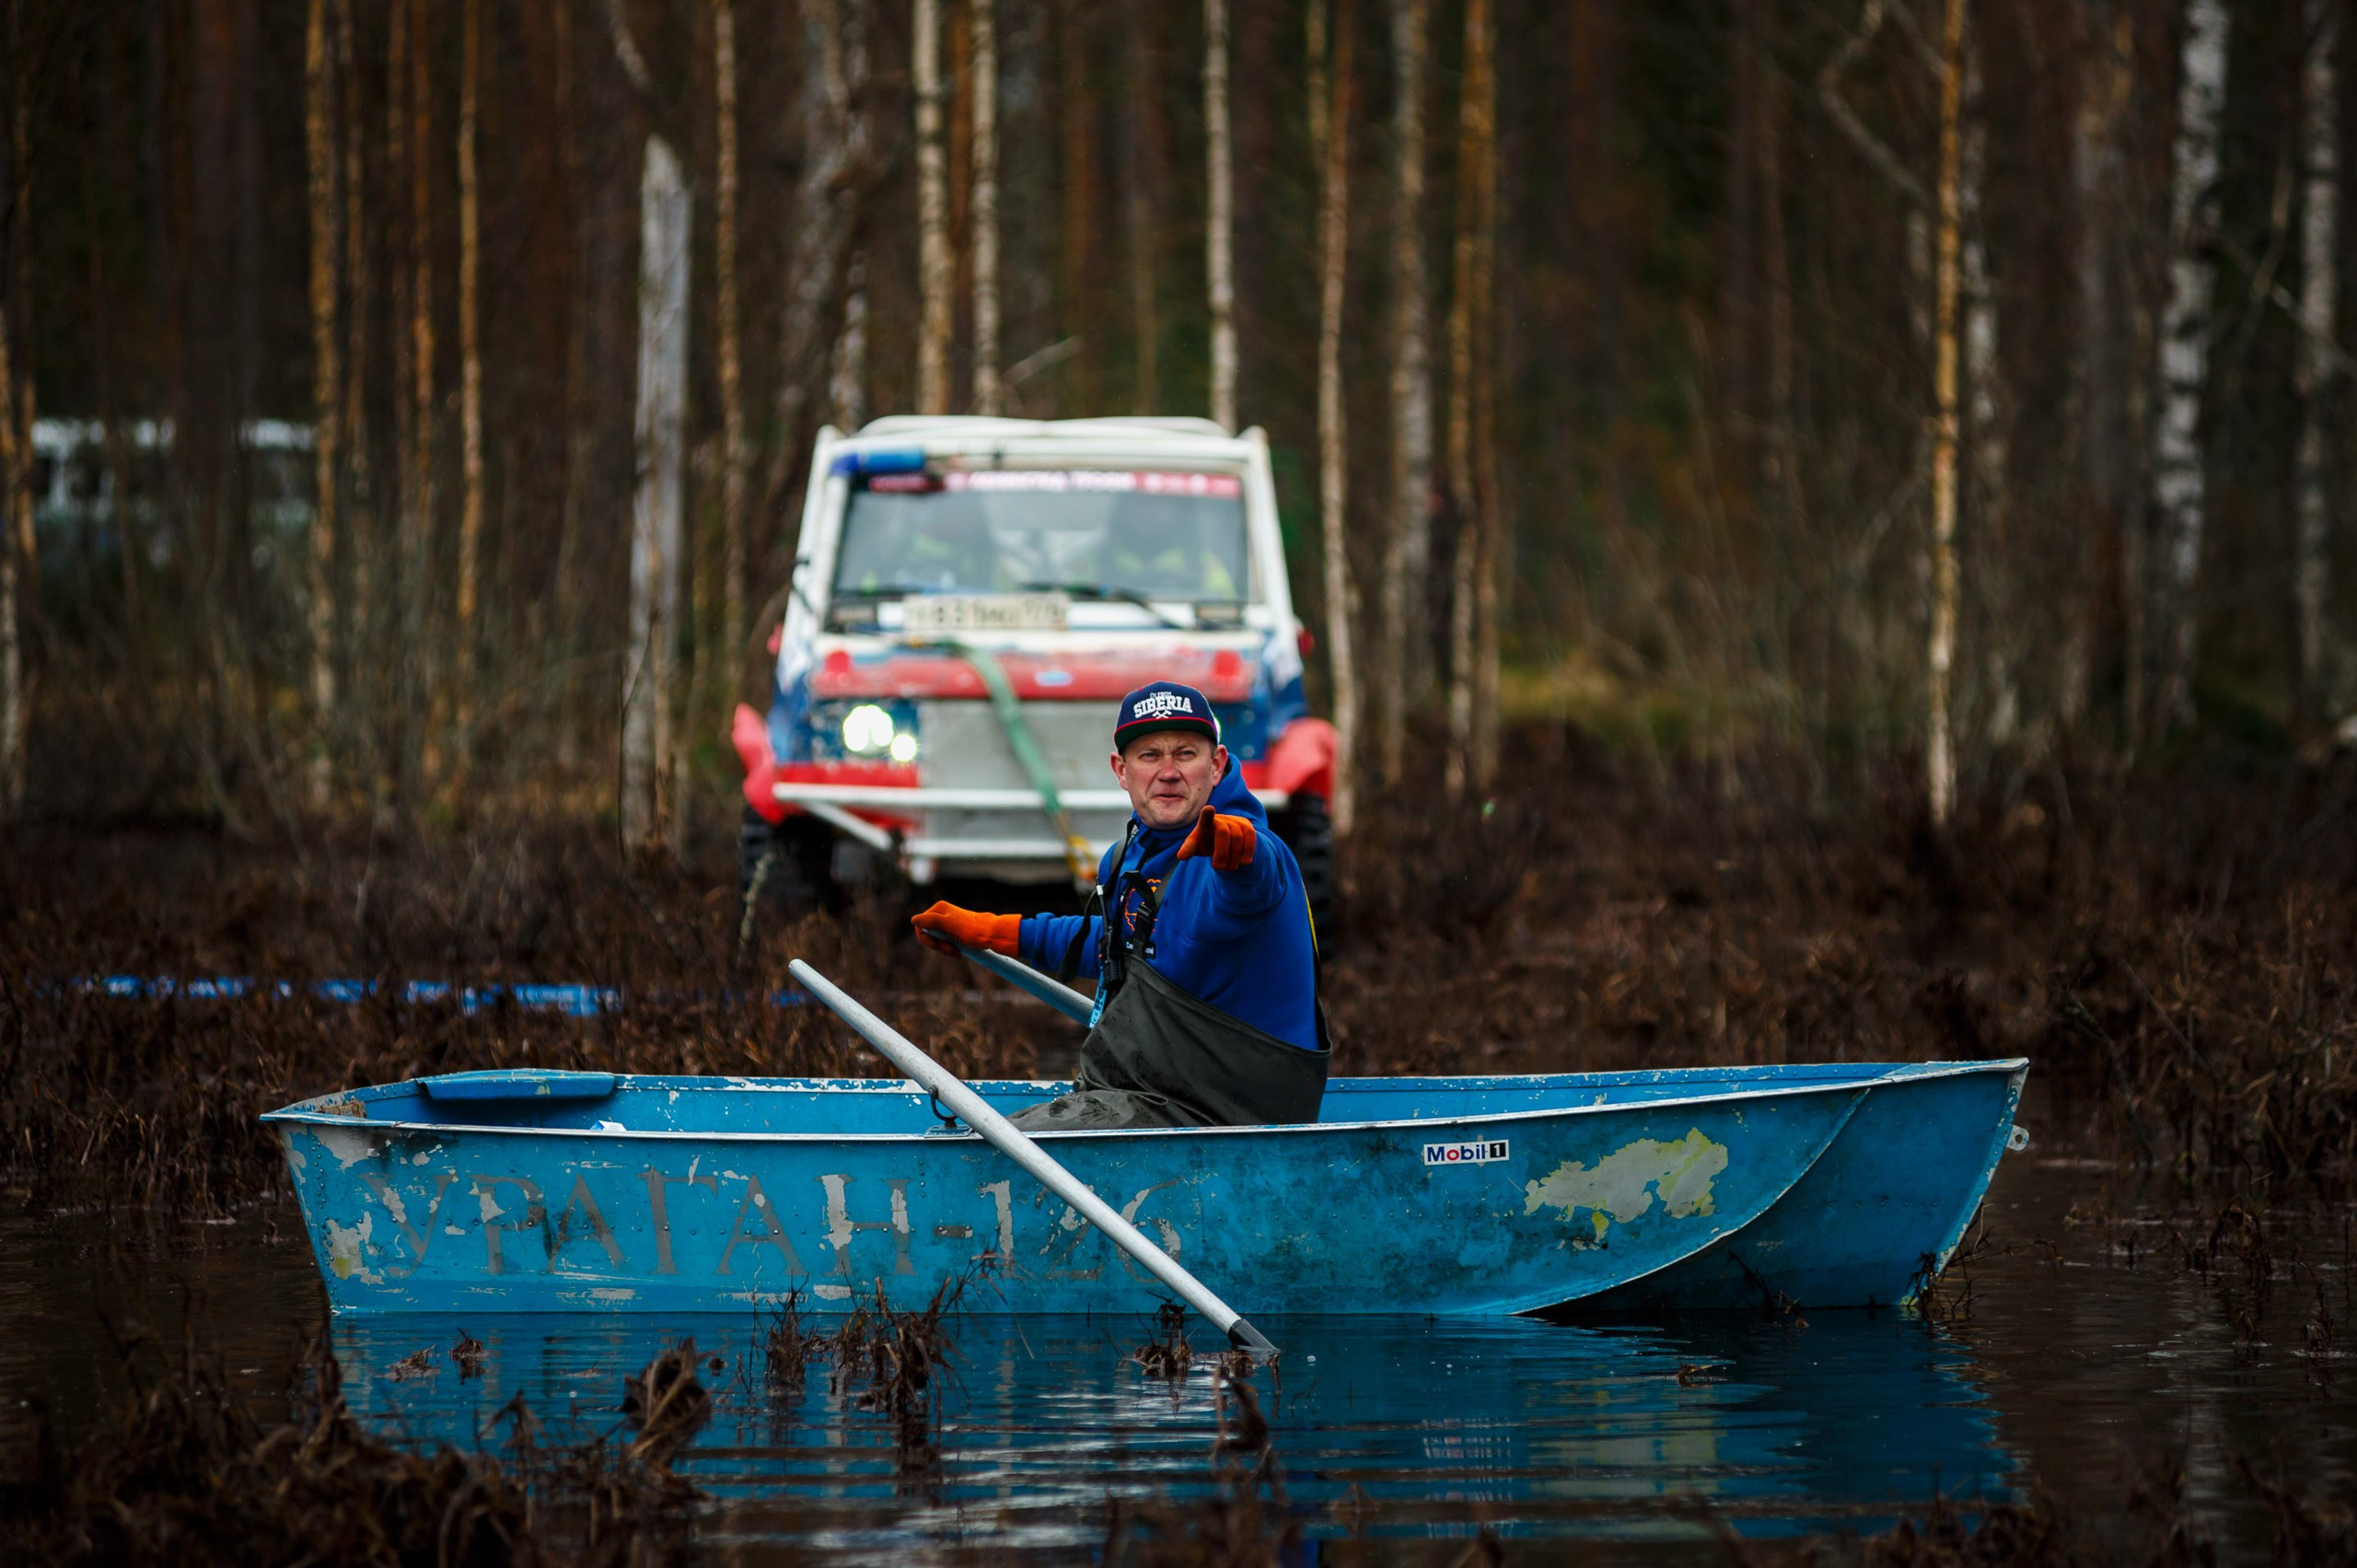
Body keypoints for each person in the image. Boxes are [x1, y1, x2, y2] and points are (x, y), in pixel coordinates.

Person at [909, 679, 1328, 1130]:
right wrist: (991, 932)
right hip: (1160, 1092)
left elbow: (1241, 897)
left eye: (1186, 753)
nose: (1168, 771)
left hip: (1233, 1113)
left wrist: (1241, 858)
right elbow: (1118, 944)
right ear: (1121, 770)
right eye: (1150, 756)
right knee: (989, 1138)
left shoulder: (1247, 851)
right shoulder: (1128, 857)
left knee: (996, 1150)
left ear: (1217, 765)